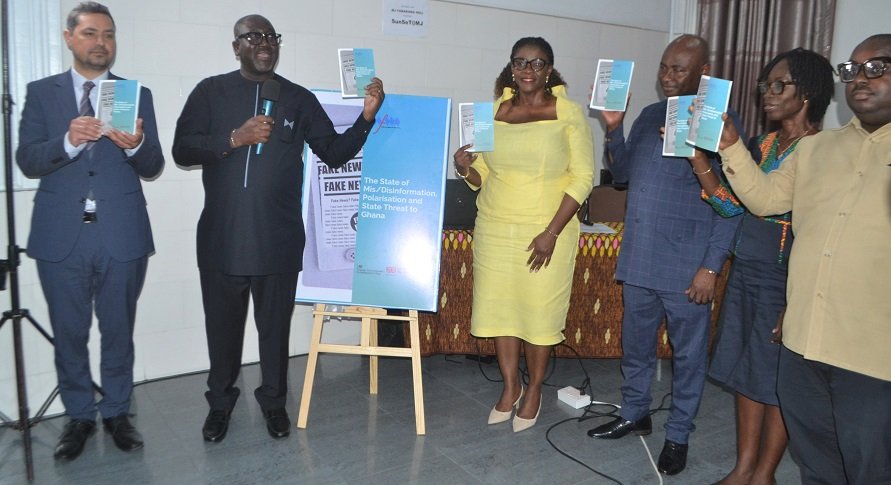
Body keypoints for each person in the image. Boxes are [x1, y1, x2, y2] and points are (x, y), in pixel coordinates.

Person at [172, 14, 384, 442]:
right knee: (223, 331)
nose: (264, 43)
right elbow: (182, 149)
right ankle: (220, 404)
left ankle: (273, 403)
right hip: (222, 238)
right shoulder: (210, 92)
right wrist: (234, 138)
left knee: (274, 331)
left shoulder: (298, 99)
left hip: (278, 240)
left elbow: (335, 153)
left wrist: (366, 116)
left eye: (271, 37)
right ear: (237, 47)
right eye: (254, 36)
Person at [716, 34, 891, 484]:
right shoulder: (818, 149)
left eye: (877, 67)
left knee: (869, 465)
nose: (859, 79)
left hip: (873, 354)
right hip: (804, 343)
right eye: (851, 70)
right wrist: (731, 144)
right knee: (817, 463)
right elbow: (764, 200)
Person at [585, 34, 743, 476]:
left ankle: (679, 435)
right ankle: (636, 413)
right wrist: (614, 127)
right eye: (664, 67)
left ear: (702, 72)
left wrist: (711, 267)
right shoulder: (652, 114)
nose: (668, 76)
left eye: (679, 69)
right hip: (640, 258)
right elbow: (622, 175)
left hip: (688, 267)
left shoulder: (719, 124)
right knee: (635, 347)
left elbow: (732, 203)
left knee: (688, 358)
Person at [15, 2, 164, 461]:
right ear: (69, 38)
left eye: (109, 35)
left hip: (120, 232)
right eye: (91, 33)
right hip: (62, 234)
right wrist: (67, 141)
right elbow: (27, 160)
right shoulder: (42, 94)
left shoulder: (136, 94)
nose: (101, 42)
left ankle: (118, 411)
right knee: (69, 332)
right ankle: (79, 416)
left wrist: (136, 145)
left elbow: (155, 164)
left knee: (119, 329)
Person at [692, 48, 834, 485]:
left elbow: (810, 226)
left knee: (777, 382)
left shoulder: (821, 152)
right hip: (748, 271)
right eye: (764, 86)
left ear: (807, 93)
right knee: (743, 371)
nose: (766, 94)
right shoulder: (766, 144)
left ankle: (764, 475)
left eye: (779, 85)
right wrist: (700, 163)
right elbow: (737, 208)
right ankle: (744, 467)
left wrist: (797, 298)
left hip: (785, 279)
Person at [453, 37, 594, 433]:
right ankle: (511, 386)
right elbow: (482, 178)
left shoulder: (568, 113)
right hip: (495, 227)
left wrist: (551, 231)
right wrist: (464, 167)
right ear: (511, 66)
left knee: (538, 314)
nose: (528, 70)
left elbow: (584, 177)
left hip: (547, 230)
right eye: (521, 62)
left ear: (549, 69)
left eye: (537, 63)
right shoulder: (492, 112)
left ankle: (534, 390)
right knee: (501, 311)